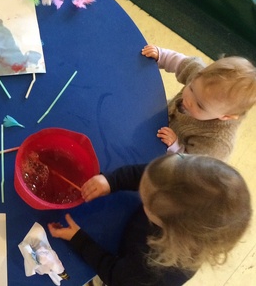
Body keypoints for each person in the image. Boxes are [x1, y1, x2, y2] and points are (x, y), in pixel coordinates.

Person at [48, 154, 252, 286]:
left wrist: (78, 239)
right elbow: (147, 176)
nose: (143, 187)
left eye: (146, 199)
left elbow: (116, 275)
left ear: (166, 227)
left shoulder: (153, 271)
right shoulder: (174, 180)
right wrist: (111, 181)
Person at [141, 44, 256, 161]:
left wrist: (175, 147)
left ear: (225, 116)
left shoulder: (217, 144)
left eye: (200, 105)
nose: (188, 100)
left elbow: (193, 165)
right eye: (191, 89)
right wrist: (161, 56)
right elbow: (183, 63)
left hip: (169, 160)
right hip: (157, 121)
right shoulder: (202, 79)